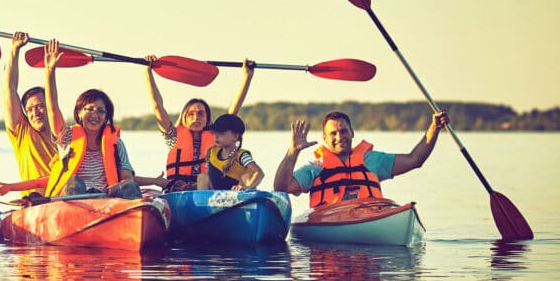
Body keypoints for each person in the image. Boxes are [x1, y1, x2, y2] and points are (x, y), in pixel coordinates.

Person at [273, 110, 450, 207]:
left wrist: (434, 128)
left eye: (343, 131)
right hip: (329, 221)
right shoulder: (316, 168)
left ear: (352, 133)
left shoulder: (372, 160)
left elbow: (415, 159)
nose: (339, 136)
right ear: (325, 139)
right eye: (333, 133)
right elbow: (281, 187)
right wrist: (293, 152)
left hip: (370, 217)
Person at [39, 40, 140, 199]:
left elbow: (127, 178)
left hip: (105, 199)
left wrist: (113, 189)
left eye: (101, 111)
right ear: (79, 113)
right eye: (89, 109)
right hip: (73, 198)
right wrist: (50, 71)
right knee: (74, 182)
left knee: (131, 186)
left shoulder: (116, 144)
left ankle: (134, 219)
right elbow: (52, 108)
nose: (95, 115)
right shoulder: (68, 137)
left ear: (106, 117)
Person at [143, 56, 255, 191]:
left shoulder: (216, 137)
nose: (196, 117)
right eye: (191, 114)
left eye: (201, 113)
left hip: (206, 189)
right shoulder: (173, 136)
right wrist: (147, 71)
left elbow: (233, 111)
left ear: (207, 117)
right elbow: (157, 106)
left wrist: (247, 76)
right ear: (184, 117)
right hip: (178, 190)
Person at [2, 32, 65, 197]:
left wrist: (50, 70)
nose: (35, 112)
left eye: (39, 106)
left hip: (63, 199)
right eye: (29, 110)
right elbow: (9, 89)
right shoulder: (22, 133)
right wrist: (14, 51)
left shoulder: (64, 135)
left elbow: (53, 104)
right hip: (34, 203)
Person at [196, 113, 264, 191]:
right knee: (202, 177)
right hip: (214, 195)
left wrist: (247, 188)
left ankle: (248, 196)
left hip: (237, 194)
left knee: (246, 176)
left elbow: (259, 173)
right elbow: (210, 176)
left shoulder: (242, 156)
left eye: (221, 133)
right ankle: (202, 202)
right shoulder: (211, 152)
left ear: (235, 136)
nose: (216, 136)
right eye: (215, 132)